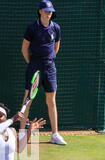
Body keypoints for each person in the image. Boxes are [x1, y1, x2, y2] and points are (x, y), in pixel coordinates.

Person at [21, 0, 66, 146]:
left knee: (51, 101)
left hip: (50, 67)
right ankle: (22, 134)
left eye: (50, 11)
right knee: (27, 100)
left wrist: (49, 60)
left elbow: (56, 47)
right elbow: (24, 49)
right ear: (40, 11)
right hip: (35, 66)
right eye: (46, 11)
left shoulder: (56, 28)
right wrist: (32, 64)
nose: (49, 13)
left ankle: (55, 134)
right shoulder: (32, 28)